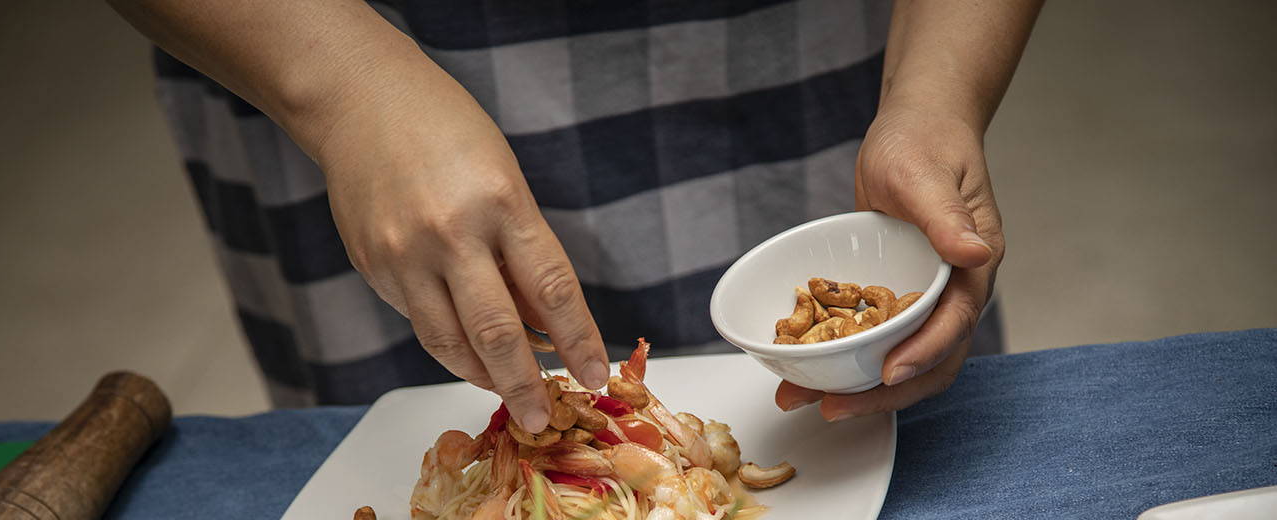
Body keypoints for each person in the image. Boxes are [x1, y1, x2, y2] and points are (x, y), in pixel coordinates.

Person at [107, 0, 1042, 428]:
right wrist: (352, 96)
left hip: (807, 76)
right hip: (329, 53)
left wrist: (936, 94)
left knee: (880, 449)